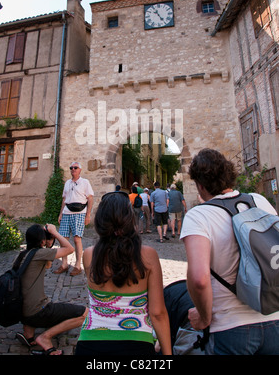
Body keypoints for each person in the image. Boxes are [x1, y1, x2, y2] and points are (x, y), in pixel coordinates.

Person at [180, 148, 279, 355]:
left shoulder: (199, 216)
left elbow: (199, 278)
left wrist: (204, 318)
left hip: (230, 326)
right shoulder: (258, 200)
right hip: (274, 317)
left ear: (199, 184)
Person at [75, 191, 172, 356]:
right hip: (136, 342)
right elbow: (157, 313)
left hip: (90, 342)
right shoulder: (147, 256)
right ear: (129, 219)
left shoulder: (89, 254)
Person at [15, 223, 88, 355]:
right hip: (38, 311)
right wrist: (54, 232)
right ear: (43, 241)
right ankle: (45, 337)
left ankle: (29, 333)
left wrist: (47, 244)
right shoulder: (40, 254)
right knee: (85, 314)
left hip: (21, 311)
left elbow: (48, 265)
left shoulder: (22, 255)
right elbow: (69, 248)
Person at [55, 161, 94, 276]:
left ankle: (77, 266)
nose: (73, 169)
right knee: (63, 239)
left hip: (80, 212)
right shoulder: (67, 183)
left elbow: (90, 199)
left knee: (77, 239)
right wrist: (60, 213)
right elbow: (64, 199)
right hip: (67, 212)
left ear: (80, 170)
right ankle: (64, 264)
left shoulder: (85, 182)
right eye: (71, 167)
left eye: (75, 168)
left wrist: (88, 215)